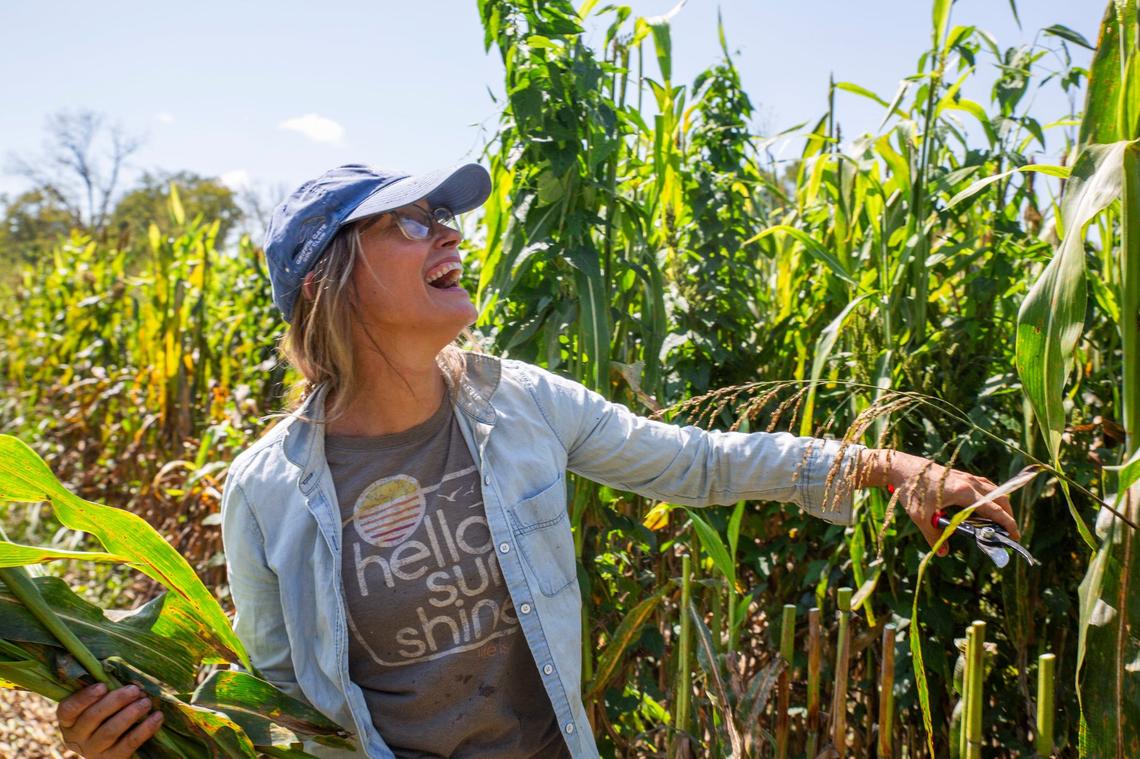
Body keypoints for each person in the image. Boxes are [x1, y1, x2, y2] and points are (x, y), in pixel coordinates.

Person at [55, 162, 1019, 759]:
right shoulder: (267, 488)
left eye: (448, 216)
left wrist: (886, 466)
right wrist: (143, 743)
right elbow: (281, 698)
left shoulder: (516, 402)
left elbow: (700, 462)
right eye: (412, 221)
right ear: (330, 279)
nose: (453, 233)